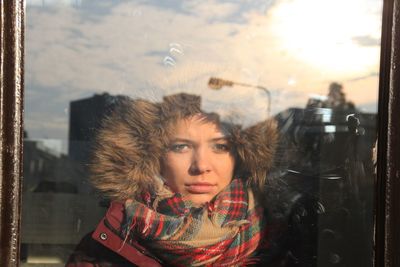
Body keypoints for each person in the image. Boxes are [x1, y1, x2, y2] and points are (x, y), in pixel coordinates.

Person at [66, 93, 283, 267]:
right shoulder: (101, 252)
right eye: (181, 147)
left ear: (239, 157)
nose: (201, 166)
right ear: (153, 157)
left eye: (220, 147)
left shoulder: (277, 244)